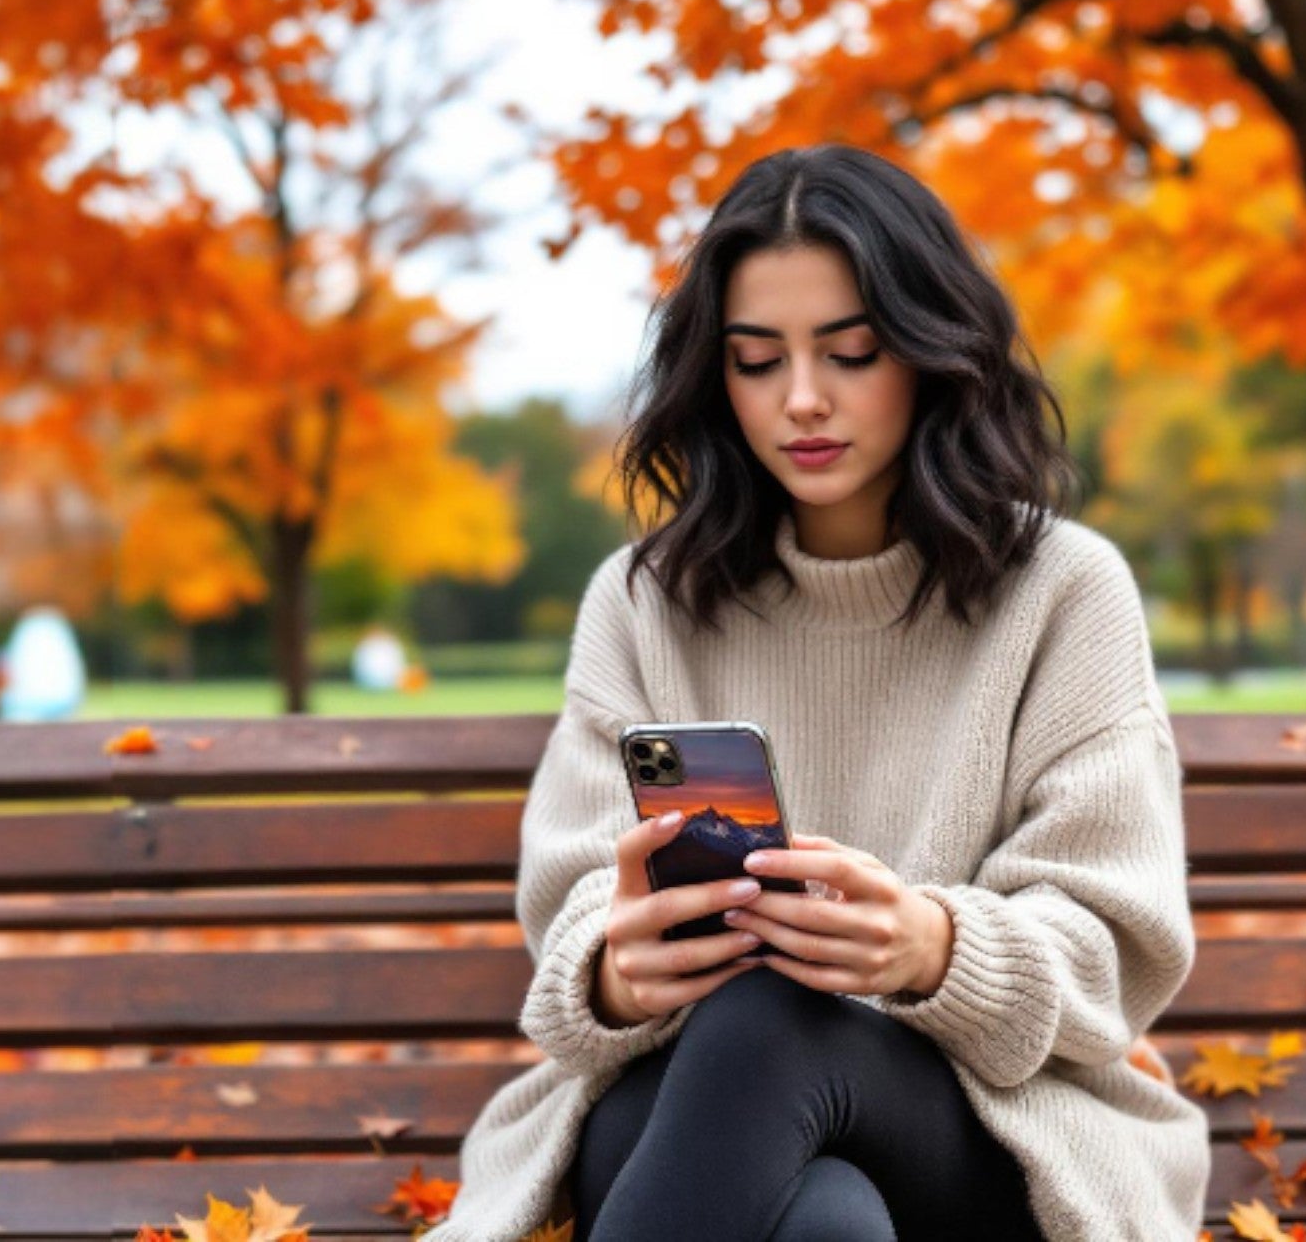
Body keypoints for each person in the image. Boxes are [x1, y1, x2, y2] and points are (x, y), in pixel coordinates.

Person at [424, 144, 1209, 1241]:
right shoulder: (645, 600)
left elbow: (1117, 945)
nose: (802, 399)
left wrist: (934, 947)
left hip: (992, 1122)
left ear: (935, 352)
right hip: (683, 1098)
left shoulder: (1063, 593)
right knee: (822, 1217)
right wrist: (619, 967)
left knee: (775, 1026)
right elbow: (570, 911)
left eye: (851, 351)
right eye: (756, 360)